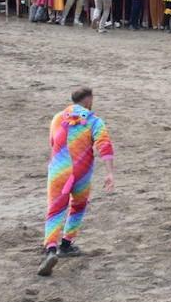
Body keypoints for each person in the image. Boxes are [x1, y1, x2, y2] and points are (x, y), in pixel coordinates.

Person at [37, 87, 115, 277]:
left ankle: (51, 249)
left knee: (55, 210)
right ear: (88, 101)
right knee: (78, 206)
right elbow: (104, 146)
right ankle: (66, 244)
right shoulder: (94, 121)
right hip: (81, 172)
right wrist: (109, 173)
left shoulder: (57, 118)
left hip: (58, 171)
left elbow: (53, 142)